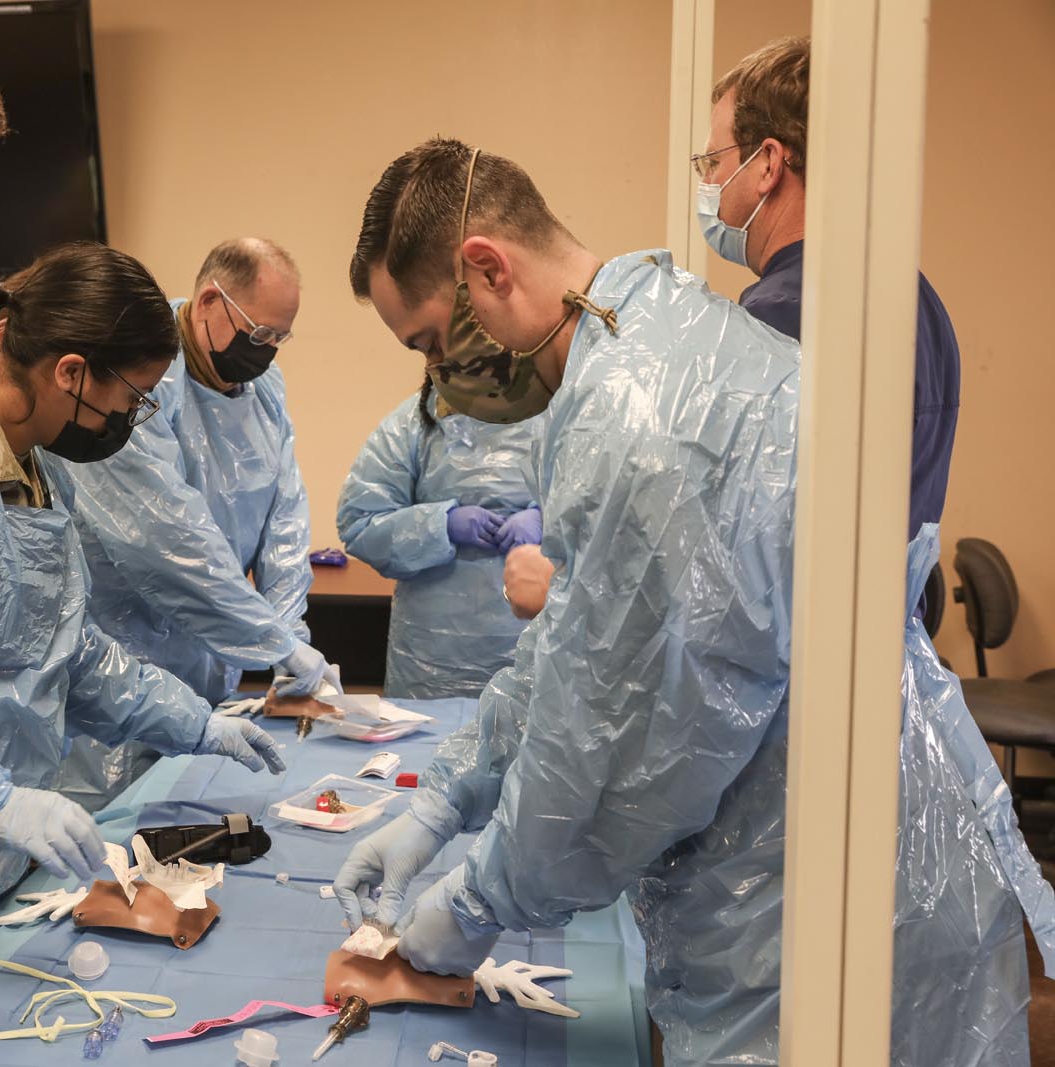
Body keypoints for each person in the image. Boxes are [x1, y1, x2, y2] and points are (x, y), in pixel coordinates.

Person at [330, 138, 1054, 1066]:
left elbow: (616, 751)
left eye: (433, 339)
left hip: (823, 903)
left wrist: (476, 903)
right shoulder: (653, 337)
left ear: (485, 267)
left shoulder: (641, 422)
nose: (441, 372)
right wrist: (444, 797)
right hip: (829, 848)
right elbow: (573, 649)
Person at [0, 242, 285, 945]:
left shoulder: (40, 459)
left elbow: (69, 651)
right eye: (132, 398)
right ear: (71, 371)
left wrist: (193, 721)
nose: (131, 419)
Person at [48, 237, 334, 807]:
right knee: (111, 838)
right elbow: (168, 541)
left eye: (280, 337)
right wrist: (269, 640)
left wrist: (287, 630)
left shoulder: (263, 390)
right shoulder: (141, 383)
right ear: (209, 302)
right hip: (120, 660)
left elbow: (285, 513)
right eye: (260, 334)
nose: (269, 351)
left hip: (212, 660)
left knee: (190, 820)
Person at [697, 35, 960, 539]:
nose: (708, 180)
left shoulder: (781, 319)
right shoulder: (916, 297)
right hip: (889, 614)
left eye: (714, 161)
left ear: (769, 164)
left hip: (800, 620)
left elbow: (740, 542)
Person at [336, 376, 541, 698]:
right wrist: (439, 524)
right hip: (432, 657)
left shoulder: (560, 416)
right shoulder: (413, 424)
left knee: (528, 739)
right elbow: (360, 522)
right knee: (428, 743)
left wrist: (549, 521)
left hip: (536, 648)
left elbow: (614, 514)